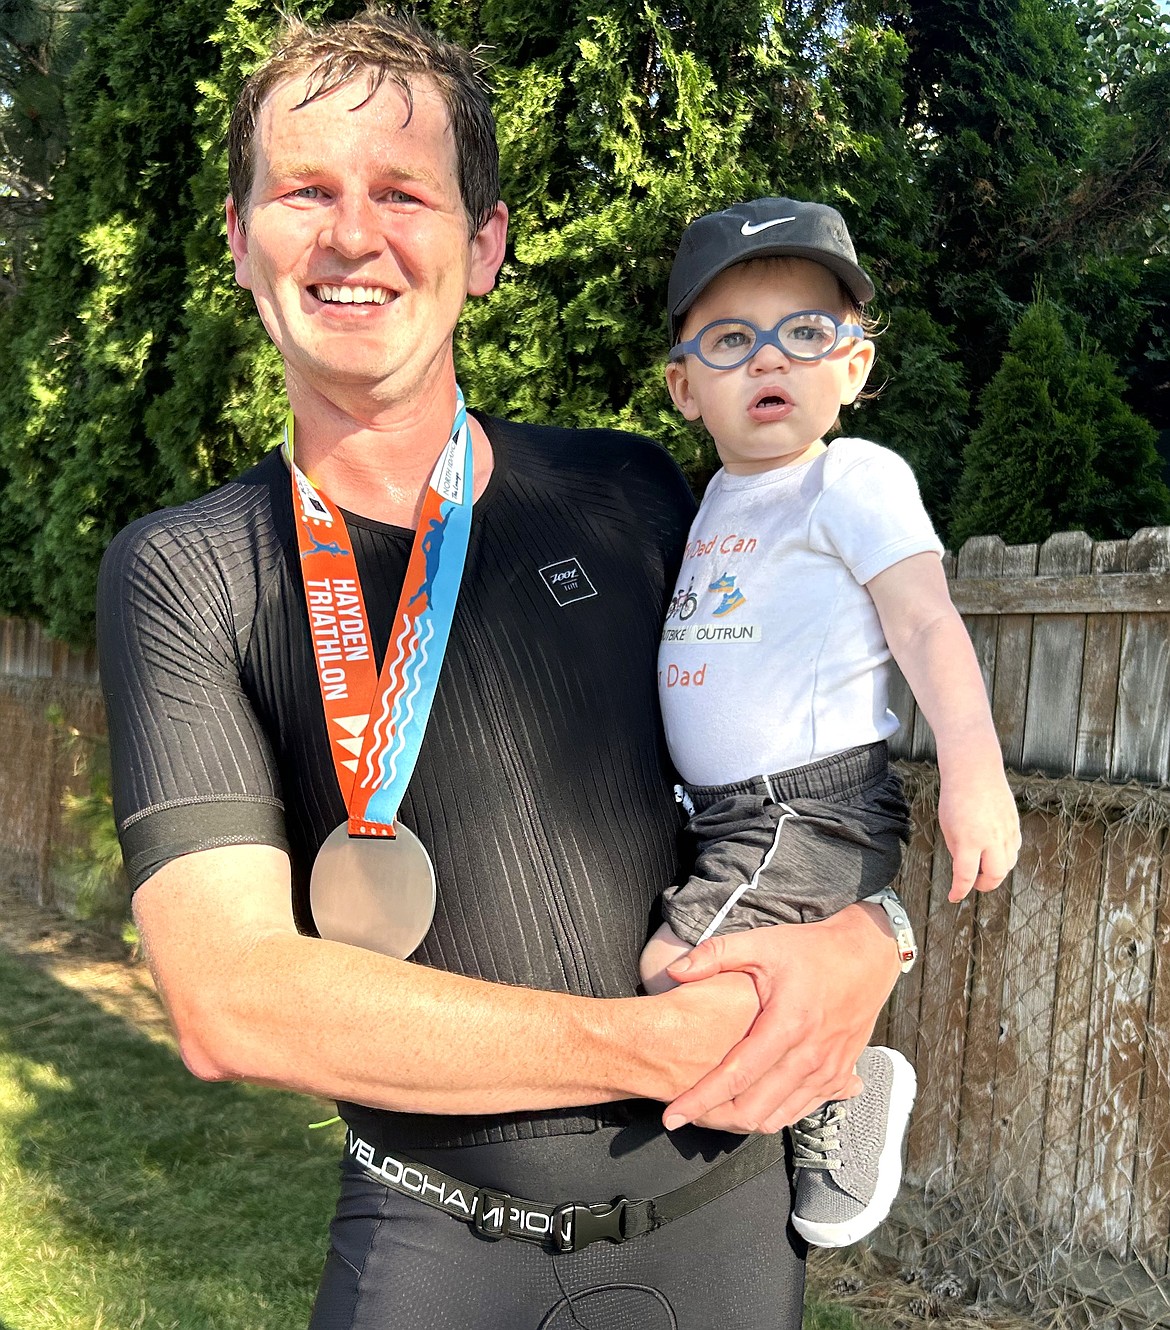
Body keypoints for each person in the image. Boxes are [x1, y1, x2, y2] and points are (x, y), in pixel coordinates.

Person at [96, 16, 910, 1329]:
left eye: (401, 191)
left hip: (723, 1232)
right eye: (305, 190)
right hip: (433, 1250)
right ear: (241, 240)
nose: (353, 234)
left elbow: (804, 764)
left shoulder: (632, 491)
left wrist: (870, 938)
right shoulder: (189, 571)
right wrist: (638, 1046)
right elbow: (231, 998)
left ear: (482, 246)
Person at [638, 198, 1022, 1248]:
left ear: (852, 365)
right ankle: (838, 1037)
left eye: (805, 333)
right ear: (685, 386)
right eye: (730, 340)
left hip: (804, 809)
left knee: (675, 974)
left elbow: (929, 625)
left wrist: (975, 772)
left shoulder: (853, 478)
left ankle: (844, 1087)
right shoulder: (711, 499)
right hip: (727, 815)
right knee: (699, 970)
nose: (771, 358)